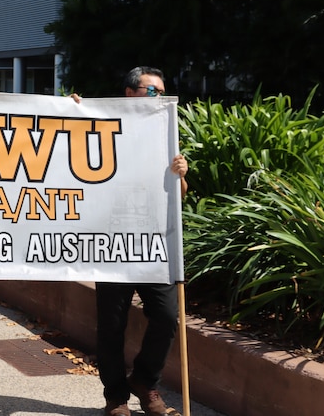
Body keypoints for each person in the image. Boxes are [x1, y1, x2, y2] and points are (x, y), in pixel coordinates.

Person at [76, 66, 188, 416]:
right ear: (129, 93)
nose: (159, 98)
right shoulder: (102, 124)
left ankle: (144, 381)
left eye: (162, 91)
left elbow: (179, 196)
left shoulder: (165, 132)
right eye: (152, 91)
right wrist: (71, 112)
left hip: (154, 244)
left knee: (168, 316)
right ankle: (116, 398)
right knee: (112, 325)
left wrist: (181, 176)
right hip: (111, 243)